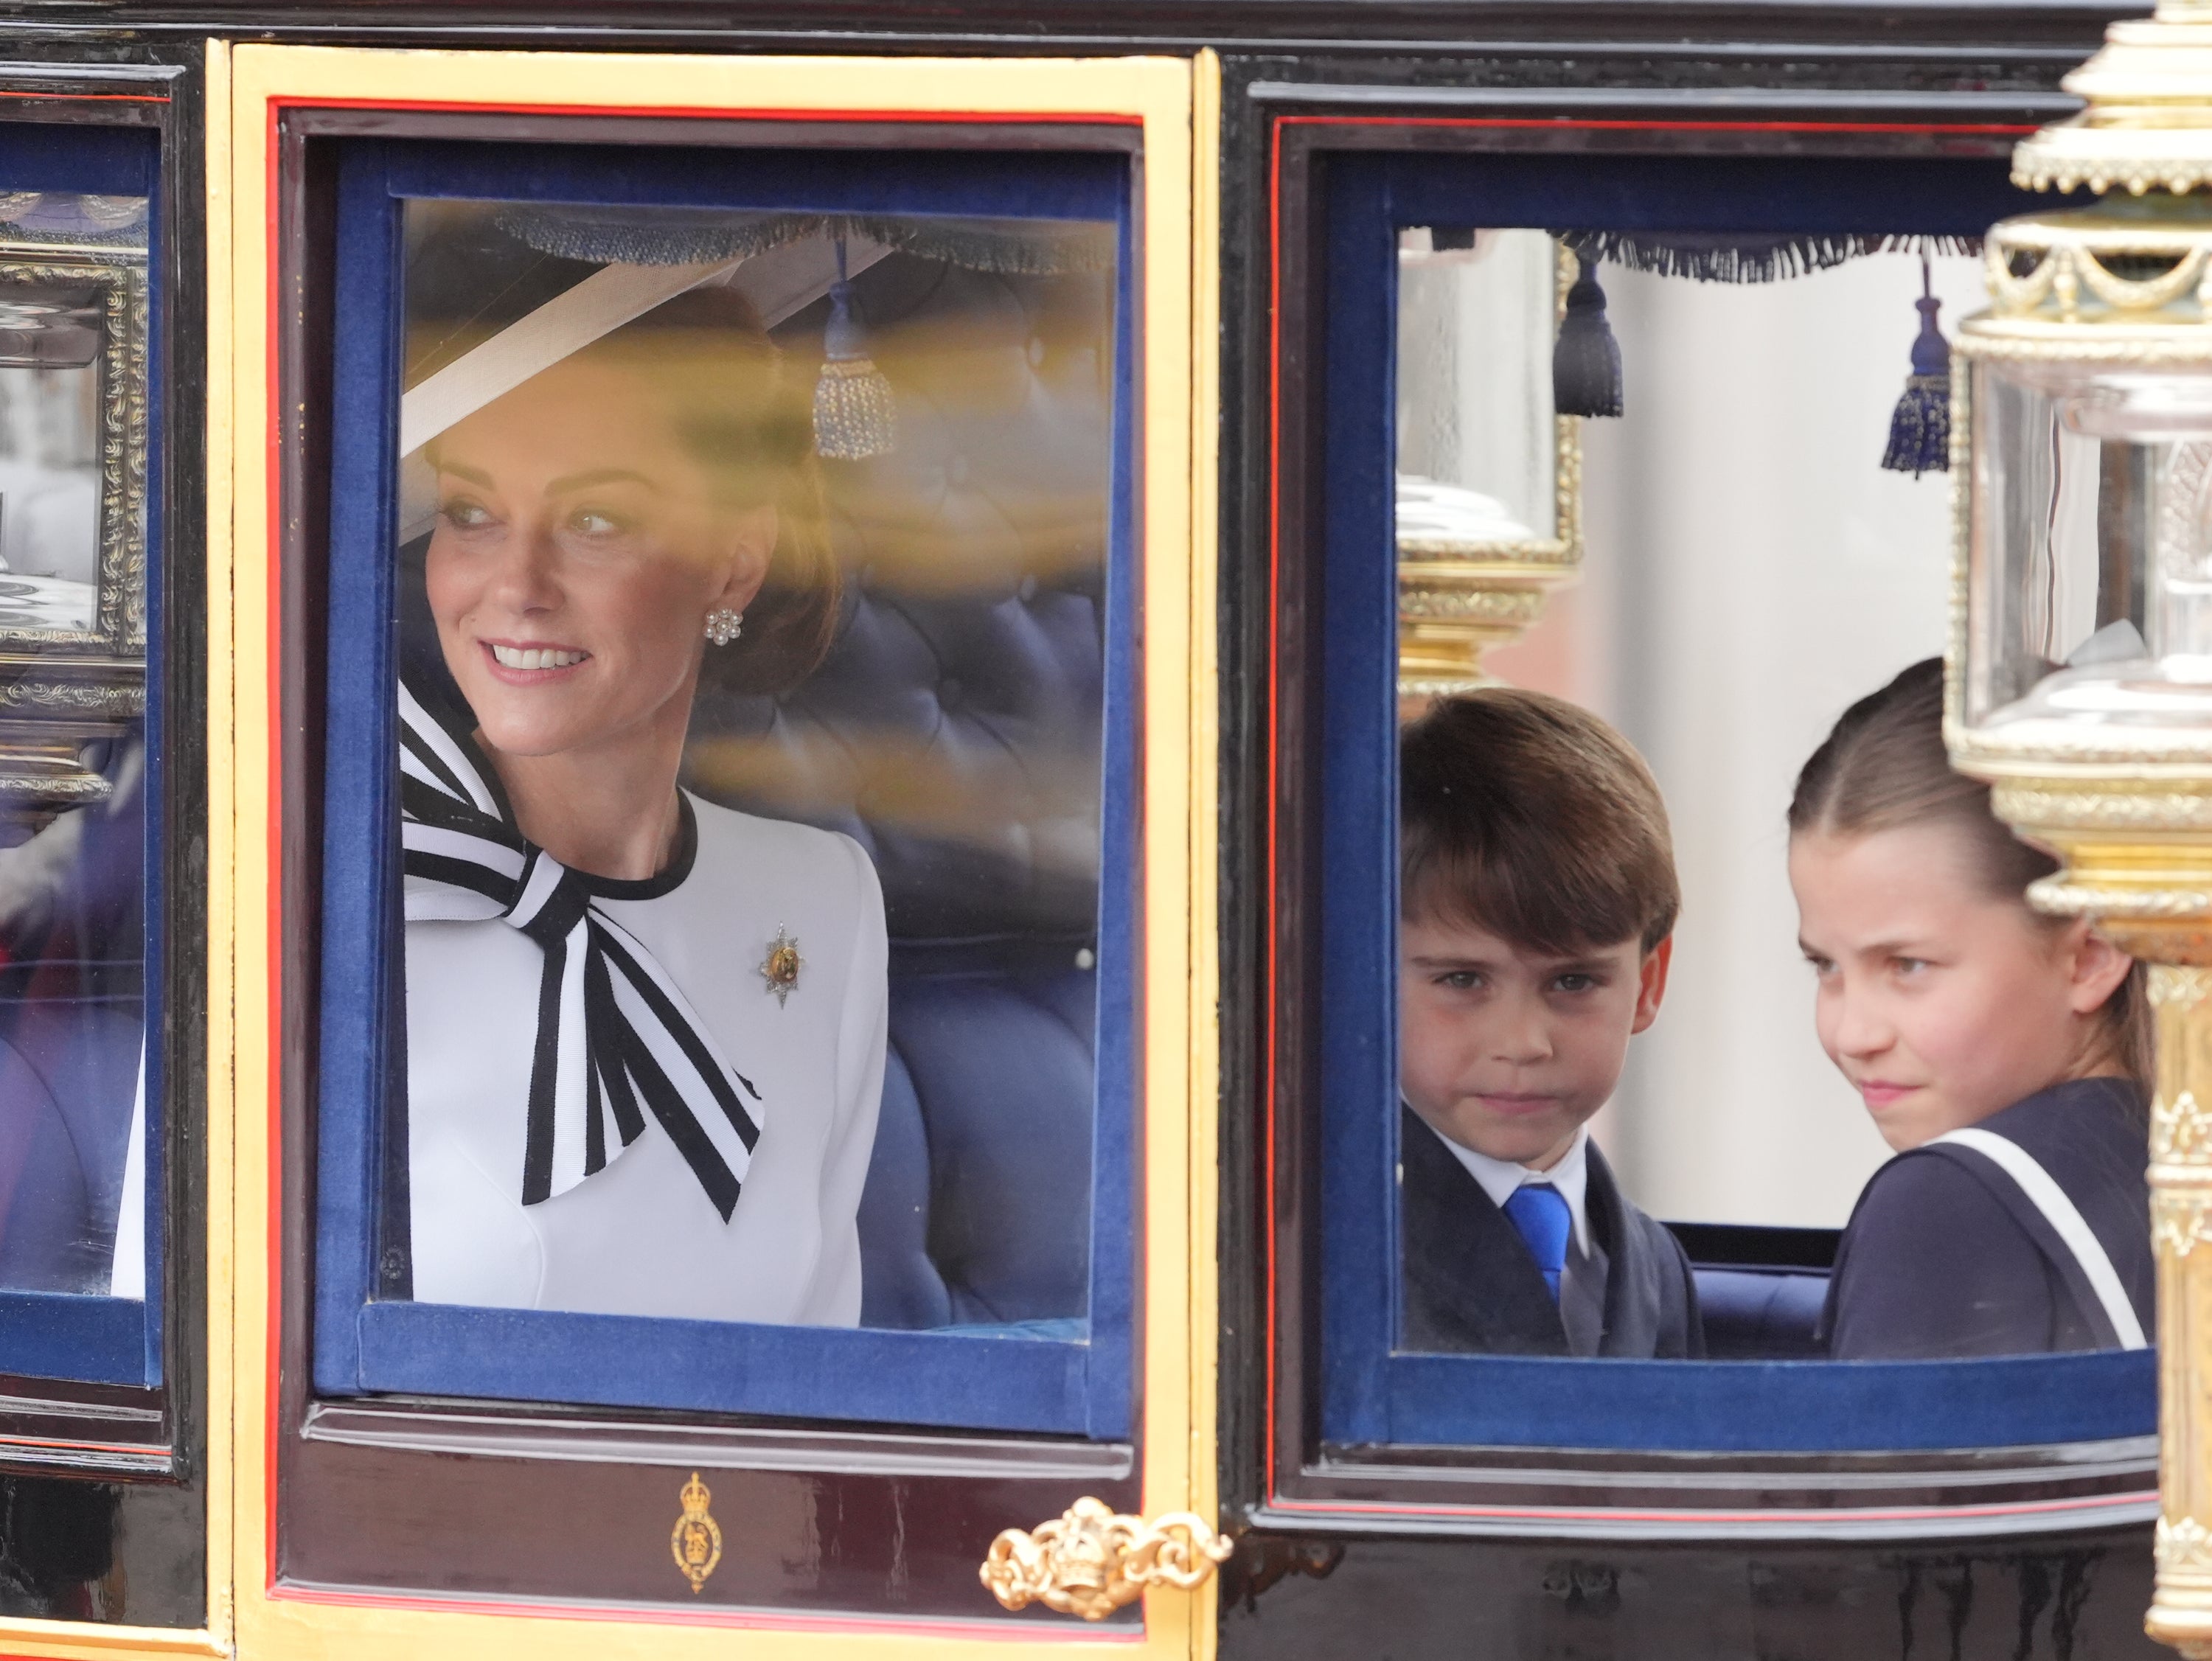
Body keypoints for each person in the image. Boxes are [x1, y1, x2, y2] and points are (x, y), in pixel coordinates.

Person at [400, 286, 888, 1327]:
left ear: (735, 559)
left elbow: (822, 1372)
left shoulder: (825, 901)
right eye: (472, 513)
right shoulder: (322, 903)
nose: (515, 586)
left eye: (596, 520)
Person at [1790, 658, 2152, 1360]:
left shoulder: (1950, 1203)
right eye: (1825, 966)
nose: (1852, 1034)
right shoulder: (2171, 1152)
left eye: (1908, 965)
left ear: (2092, 955)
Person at [1397, 689, 1702, 1358]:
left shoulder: (1656, 1266)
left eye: (1572, 981)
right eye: (1462, 980)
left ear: (1648, 982)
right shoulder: (1320, 1253)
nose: (1523, 1044)